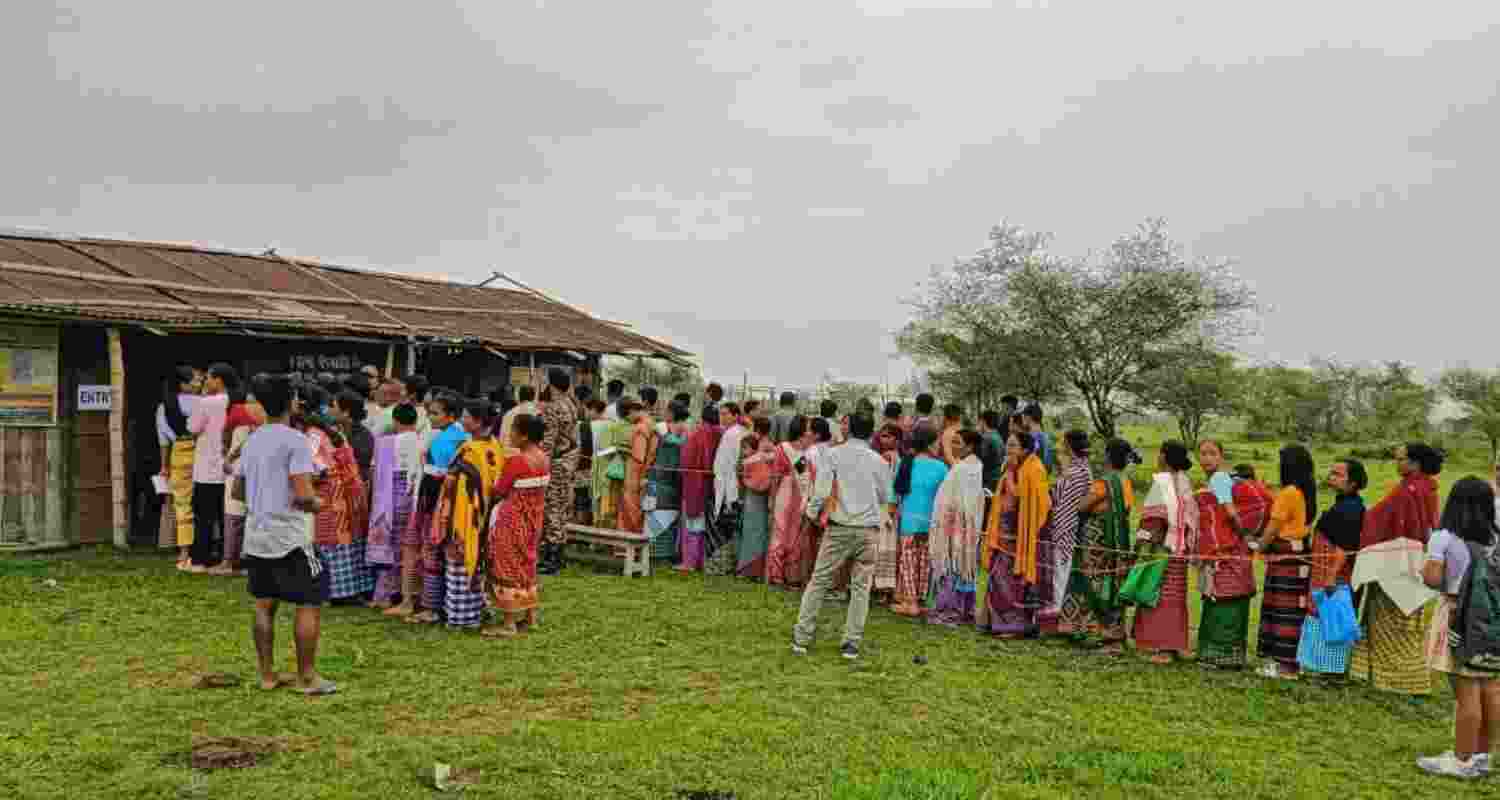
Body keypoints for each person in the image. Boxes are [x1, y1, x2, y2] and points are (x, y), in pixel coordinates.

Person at [235, 375, 336, 696]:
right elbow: (304, 495)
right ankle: (306, 678)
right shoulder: (296, 441)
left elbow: (238, 490)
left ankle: (267, 675)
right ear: (291, 401)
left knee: (264, 604)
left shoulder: (252, 440)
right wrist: (318, 503)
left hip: (257, 534)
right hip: (290, 536)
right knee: (310, 601)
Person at [1416, 478, 1500, 779]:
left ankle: (1461, 760)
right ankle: (1482, 756)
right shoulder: (1495, 538)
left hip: (1456, 616)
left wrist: (1425, 566)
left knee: (1466, 692)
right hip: (1491, 620)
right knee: (1490, 687)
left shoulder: (1444, 538)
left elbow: (1433, 578)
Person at [791, 413, 891, 660]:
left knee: (819, 581)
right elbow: (884, 496)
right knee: (860, 588)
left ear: (848, 430)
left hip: (840, 527)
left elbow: (822, 490)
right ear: (871, 432)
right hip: (868, 530)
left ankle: (802, 637)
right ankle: (851, 643)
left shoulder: (833, 455)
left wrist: (811, 514)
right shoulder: (879, 461)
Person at [1349, 442, 1443, 695]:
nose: (1397, 463)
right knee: (1410, 622)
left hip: (1395, 564)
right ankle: (1411, 678)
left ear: (1415, 463)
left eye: (1401, 459)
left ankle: (1394, 679)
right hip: (1418, 561)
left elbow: (1379, 519)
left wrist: (1365, 517)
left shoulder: (1407, 491)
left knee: (1390, 620)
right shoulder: (1429, 487)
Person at [430, 400, 505, 631]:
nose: (462, 421)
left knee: (459, 565)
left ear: (478, 421)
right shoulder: (495, 446)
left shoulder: (469, 450)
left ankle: (461, 617)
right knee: (478, 562)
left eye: (466, 417)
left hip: (463, 516)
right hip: (485, 514)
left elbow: (452, 484)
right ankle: (478, 609)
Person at [1058, 438, 1138, 653]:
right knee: (1112, 585)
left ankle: (1095, 631)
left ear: (1108, 457)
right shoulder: (1125, 481)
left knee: (1092, 583)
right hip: (1118, 541)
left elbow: (1082, 506)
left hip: (1097, 541)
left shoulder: (1104, 483)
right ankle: (1114, 633)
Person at [1192, 440, 1260, 670]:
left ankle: (1219, 657)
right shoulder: (1214, 480)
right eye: (1202, 454)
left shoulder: (1219, 479)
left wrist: (1244, 536)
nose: (1207, 458)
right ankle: (1223, 655)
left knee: (1224, 600)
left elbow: (1229, 512)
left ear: (1221, 456)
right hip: (1227, 552)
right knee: (1220, 600)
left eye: (1212, 453)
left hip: (1227, 551)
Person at [1297, 458, 1368, 677]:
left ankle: (1330, 670)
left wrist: (1331, 576)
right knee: (1321, 614)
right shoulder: (1342, 503)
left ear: (1353, 482)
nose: (1332, 477)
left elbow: (1344, 548)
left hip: (1334, 573)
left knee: (1332, 617)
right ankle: (1318, 666)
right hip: (1324, 569)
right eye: (1332, 472)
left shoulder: (1351, 509)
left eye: (1339, 474)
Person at [404, 393, 470, 624]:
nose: (430, 417)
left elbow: (436, 478)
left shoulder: (445, 441)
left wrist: (426, 509)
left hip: (436, 503)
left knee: (432, 554)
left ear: (451, 416)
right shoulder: (459, 436)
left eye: (435, 413)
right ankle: (439, 604)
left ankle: (431, 608)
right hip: (452, 504)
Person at [484, 413, 551, 638]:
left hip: (512, 519)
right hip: (533, 519)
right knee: (527, 563)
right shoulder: (543, 458)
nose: (509, 434)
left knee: (506, 566)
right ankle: (530, 617)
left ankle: (509, 623)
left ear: (523, 436)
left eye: (513, 430)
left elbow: (499, 491)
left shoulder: (517, 461)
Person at [980, 430, 1051, 638]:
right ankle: (994, 622)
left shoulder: (1034, 469)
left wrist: (1010, 477)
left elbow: (1028, 500)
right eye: (1008, 445)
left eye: (1013, 446)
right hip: (1003, 535)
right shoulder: (1012, 468)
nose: (1008, 449)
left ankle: (1015, 627)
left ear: (1025, 449)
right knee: (998, 578)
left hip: (1022, 538)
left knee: (1015, 582)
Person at [1132, 441, 1198, 665]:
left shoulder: (1162, 482)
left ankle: (1163, 647)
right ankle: (1176, 644)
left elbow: (1152, 519)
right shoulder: (1185, 481)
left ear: (1164, 457)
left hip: (1161, 549)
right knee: (1176, 597)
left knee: (1158, 596)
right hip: (1180, 549)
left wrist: (1141, 542)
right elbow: (1191, 517)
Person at [304, 412, 373, 604]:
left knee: (330, 540)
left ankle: (338, 592)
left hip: (332, 495)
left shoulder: (312, 436)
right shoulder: (335, 433)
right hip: (351, 492)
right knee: (350, 540)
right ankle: (357, 589)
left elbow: (316, 471)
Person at [927, 429, 985, 626]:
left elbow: (950, 498)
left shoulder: (962, 468)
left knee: (952, 565)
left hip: (955, 525)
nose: (953, 446)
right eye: (953, 442)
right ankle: (965, 610)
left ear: (970, 446)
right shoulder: (976, 466)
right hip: (969, 525)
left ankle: (949, 611)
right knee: (964, 567)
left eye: (958, 443)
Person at [890, 426, 949, 617]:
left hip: (908, 522)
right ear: (931, 443)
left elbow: (895, 496)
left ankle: (910, 603)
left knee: (908, 562)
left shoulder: (906, 463)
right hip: (931, 523)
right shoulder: (941, 467)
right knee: (925, 563)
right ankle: (921, 601)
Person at [365, 403, 420, 610]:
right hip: (413, 497)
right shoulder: (421, 440)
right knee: (408, 546)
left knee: (389, 546)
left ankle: (385, 595)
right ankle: (406, 592)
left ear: (395, 421)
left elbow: (373, 472)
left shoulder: (385, 443)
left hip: (389, 499)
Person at [1041, 430, 1094, 637]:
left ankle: (1056, 616)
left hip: (1066, 525)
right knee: (1063, 573)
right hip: (1072, 525)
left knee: (1060, 574)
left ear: (1069, 446)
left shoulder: (1074, 473)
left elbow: (1062, 502)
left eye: (1063, 442)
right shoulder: (1083, 469)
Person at [213, 384, 266, 577]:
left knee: (233, 512)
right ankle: (248, 560)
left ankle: (229, 561)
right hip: (258, 468)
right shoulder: (269, 415)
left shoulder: (237, 411)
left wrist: (228, 454)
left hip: (237, 466)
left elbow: (227, 437)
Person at [186, 363, 235, 572]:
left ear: (219, 380)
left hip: (207, 467)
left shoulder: (206, 403)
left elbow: (192, 428)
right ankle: (227, 557)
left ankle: (200, 559)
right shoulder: (235, 401)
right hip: (229, 467)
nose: (205, 382)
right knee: (227, 517)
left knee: (203, 517)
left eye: (208, 378)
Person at [538, 368, 581, 575]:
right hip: (569, 462)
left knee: (552, 508)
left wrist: (539, 463)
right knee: (562, 508)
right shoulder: (571, 405)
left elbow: (549, 441)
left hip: (555, 463)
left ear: (551, 383)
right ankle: (559, 555)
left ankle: (551, 559)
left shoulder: (553, 407)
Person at [158, 366, 200, 571]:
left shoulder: (163, 406)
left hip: (178, 454)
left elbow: (163, 440)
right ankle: (204, 550)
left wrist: (164, 466)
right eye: (194, 380)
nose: (198, 383)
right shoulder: (202, 404)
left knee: (182, 505)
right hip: (201, 454)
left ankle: (184, 555)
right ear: (183, 384)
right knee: (204, 502)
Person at [768, 416, 814, 588]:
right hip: (785, 494)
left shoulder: (809, 451)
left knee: (796, 535)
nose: (810, 431)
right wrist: (772, 498)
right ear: (800, 430)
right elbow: (776, 476)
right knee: (780, 533)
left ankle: (791, 575)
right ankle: (776, 574)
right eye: (808, 428)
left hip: (801, 495)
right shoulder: (783, 448)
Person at [678, 405, 724, 572]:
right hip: (714, 485)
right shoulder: (721, 433)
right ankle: (702, 561)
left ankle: (689, 561)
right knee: (708, 524)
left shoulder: (696, 434)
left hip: (694, 483)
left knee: (692, 523)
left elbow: (685, 460)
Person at [645, 404, 689, 565]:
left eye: (666, 411)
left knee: (657, 515)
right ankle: (663, 553)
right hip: (671, 481)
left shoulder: (663, 431)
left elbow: (671, 443)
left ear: (671, 413)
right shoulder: (683, 432)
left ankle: (657, 554)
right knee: (663, 516)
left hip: (660, 480)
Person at [737, 417, 775, 578]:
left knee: (751, 531)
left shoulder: (752, 459)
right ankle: (760, 569)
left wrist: (744, 479)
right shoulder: (772, 448)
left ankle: (748, 569)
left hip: (753, 497)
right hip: (764, 497)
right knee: (761, 532)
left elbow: (752, 481)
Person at [870, 423, 903, 603]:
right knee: (884, 546)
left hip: (886, 507)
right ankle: (882, 587)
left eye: (889, 436)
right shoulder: (889, 458)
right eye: (882, 436)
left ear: (897, 440)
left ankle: (882, 588)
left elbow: (890, 485)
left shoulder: (889, 458)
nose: (885, 440)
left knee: (884, 546)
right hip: (887, 505)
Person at [620, 399, 660, 535]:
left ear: (632, 411)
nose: (629, 420)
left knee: (630, 509)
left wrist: (626, 452)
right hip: (647, 472)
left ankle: (625, 548)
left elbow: (638, 456)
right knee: (642, 512)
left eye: (628, 416)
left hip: (635, 474)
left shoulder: (641, 428)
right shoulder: (653, 425)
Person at [334, 391, 374, 487]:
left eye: (334, 407)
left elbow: (359, 470)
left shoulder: (363, 437)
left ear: (346, 412)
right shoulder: (338, 430)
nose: (330, 410)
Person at [977, 411, 1005, 519]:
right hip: (996, 480)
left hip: (987, 482)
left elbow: (980, 461)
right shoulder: (999, 437)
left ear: (983, 422)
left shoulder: (986, 438)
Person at [1020, 404, 1055, 473]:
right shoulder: (1046, 436)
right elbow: (1048, 465)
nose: (1022, 419)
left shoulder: (1032, 437)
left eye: (1023, 416)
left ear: (1028, 417)